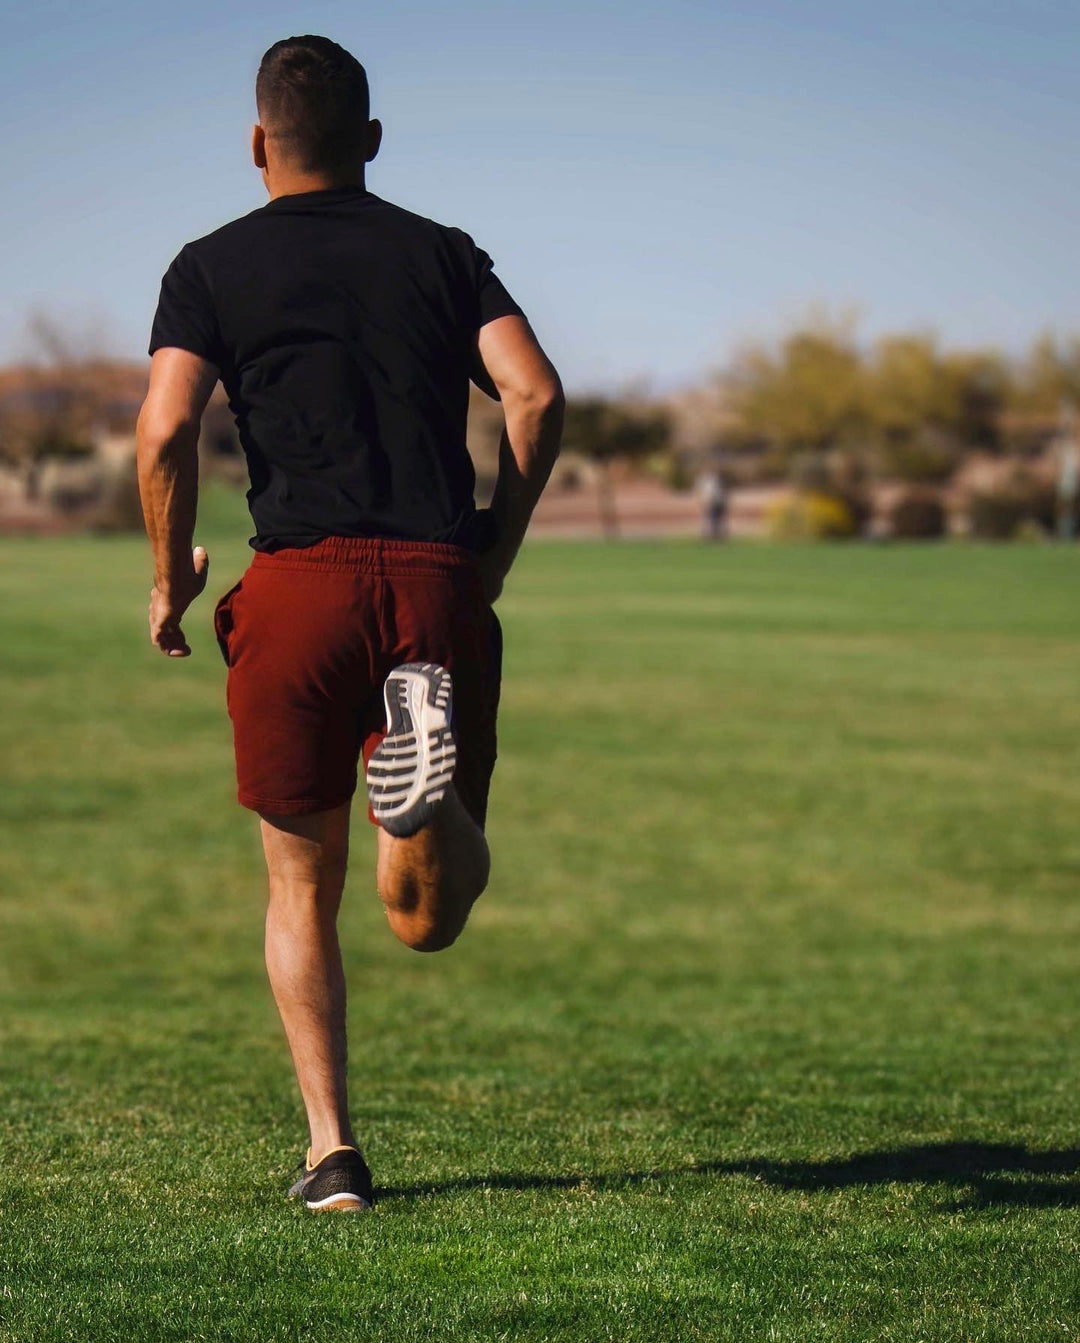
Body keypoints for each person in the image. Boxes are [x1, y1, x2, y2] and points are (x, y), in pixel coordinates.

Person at [136, 35, 564, 1212]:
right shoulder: (442, 253)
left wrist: (170, 575)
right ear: (371, 143)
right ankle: (422, 807)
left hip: (298, 591)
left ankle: (333, 1153)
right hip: (433, 579)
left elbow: (167, 427)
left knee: (296, 886)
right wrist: (490, 554)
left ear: (256, 143)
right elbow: (532, 392)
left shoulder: (208, 265)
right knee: (425, 917)